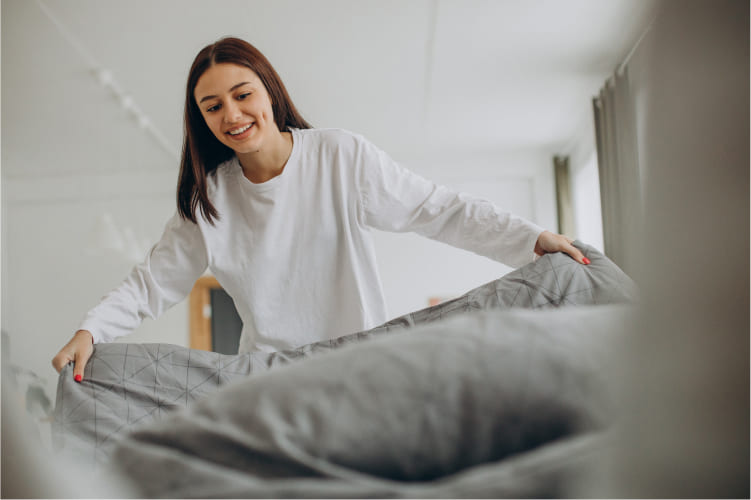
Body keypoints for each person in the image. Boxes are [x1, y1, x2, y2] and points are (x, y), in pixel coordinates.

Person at [52, 37, 589, 381]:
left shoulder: (339, 156)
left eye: (242, 95)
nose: (231, 115)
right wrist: (90, 330)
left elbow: (438, 209)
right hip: (269, 380)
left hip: (361, 368)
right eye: (212, 107)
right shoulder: (211, 199)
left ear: (269, 91)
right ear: (202, 121)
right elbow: (151, 284)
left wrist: (529, 239)